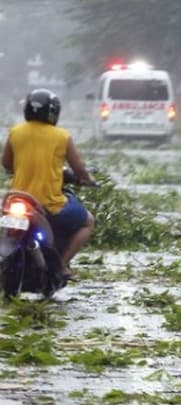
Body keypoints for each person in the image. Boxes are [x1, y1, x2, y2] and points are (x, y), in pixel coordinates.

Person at [1, 88, 95, 280]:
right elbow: (79, 169)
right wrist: (87, 179)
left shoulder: (15, 132)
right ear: (54, 112)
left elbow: (6, 163)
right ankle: (61, 265)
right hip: (50, 205)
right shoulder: (62, 137)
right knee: (88, 221)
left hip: (17, 199)